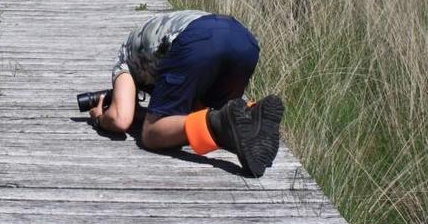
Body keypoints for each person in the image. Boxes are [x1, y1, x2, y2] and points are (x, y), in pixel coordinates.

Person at [89, 10, 284, 177]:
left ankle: (218, 122)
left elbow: (120, 120)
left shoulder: (124, 58)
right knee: (224, 113)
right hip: (244, 39)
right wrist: (141, 113)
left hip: (196, 40)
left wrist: (99, 117)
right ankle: (252, 115)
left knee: (151, 134)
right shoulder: (146, 41)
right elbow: (190, 112)